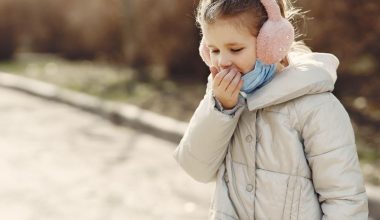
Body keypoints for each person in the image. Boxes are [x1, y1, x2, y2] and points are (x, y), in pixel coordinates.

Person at [173, 0, 369, 219]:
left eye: (235, 49)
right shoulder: (220, 99)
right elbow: (196, 168)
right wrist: (221, 110)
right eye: (214, 50)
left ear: (271, 45)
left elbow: (345, 201)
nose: (222, 61)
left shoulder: (316, 107)